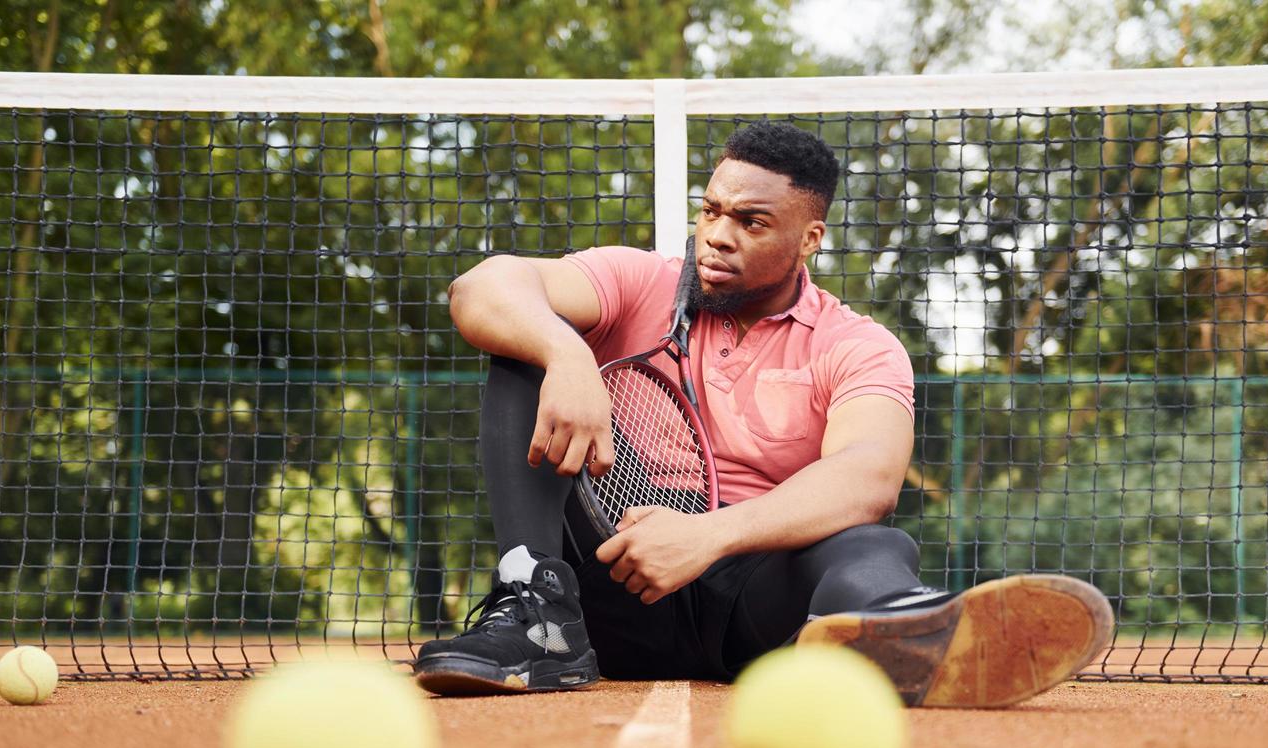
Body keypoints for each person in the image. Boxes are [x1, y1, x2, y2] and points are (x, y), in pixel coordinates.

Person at [412, 122, 1113, 706]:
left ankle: (900, 630)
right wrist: (565, 352)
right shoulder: (638, 283)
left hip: (749, 599)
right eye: (711, 210)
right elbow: (482, 287)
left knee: (868, 547)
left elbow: (868, 475)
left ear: (810, 239)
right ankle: (539, 620)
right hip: (606, 579)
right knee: (523, 352)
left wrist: (710, 535)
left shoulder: (859, 346)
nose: (718, 235)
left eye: (751, 222)